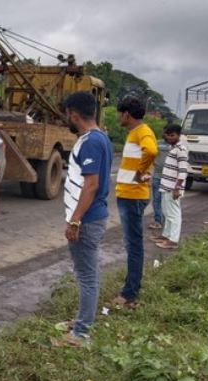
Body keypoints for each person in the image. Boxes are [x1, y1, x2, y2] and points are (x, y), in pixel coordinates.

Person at [62, 92, 113, 343]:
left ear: (73, 113)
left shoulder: (90, 141)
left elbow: (91, 185)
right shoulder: (100, 137)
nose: (66, 118)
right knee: (87, 274)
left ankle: (81, 332)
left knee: (86, 276)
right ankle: (82, 320)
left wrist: (75, 220)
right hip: (91, 217)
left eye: (67, 114)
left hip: (87, 220)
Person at [113, 96, 157, 308]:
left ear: (126, 114)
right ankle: (130, 289)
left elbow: (152, 151)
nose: (118, 117)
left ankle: (129, 293)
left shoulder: (143, 132)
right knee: (132, 244)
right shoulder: (136, 133)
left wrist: (140, 173)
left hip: (133, 196)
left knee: (134, 245)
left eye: (119, 114)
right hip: (128, 195)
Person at [151, 124, 188, 249]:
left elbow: (183, 171)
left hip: (173, 188)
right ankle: (166, 235)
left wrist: (177, 188)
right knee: (167, 212)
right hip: (166, 186)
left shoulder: (181, 150)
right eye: (168, 135)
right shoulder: (173, 148)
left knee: (174, 214)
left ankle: (173, 240)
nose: (169, 138)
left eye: (172, 135)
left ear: (178, 135)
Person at [149, 134, 170, 229]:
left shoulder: (176, 145)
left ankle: (168, 221)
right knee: (157, 200)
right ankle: (158, 221)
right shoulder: (157, 143)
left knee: (167, 200)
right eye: (166, 133)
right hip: (157, 176)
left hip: (169, 178)